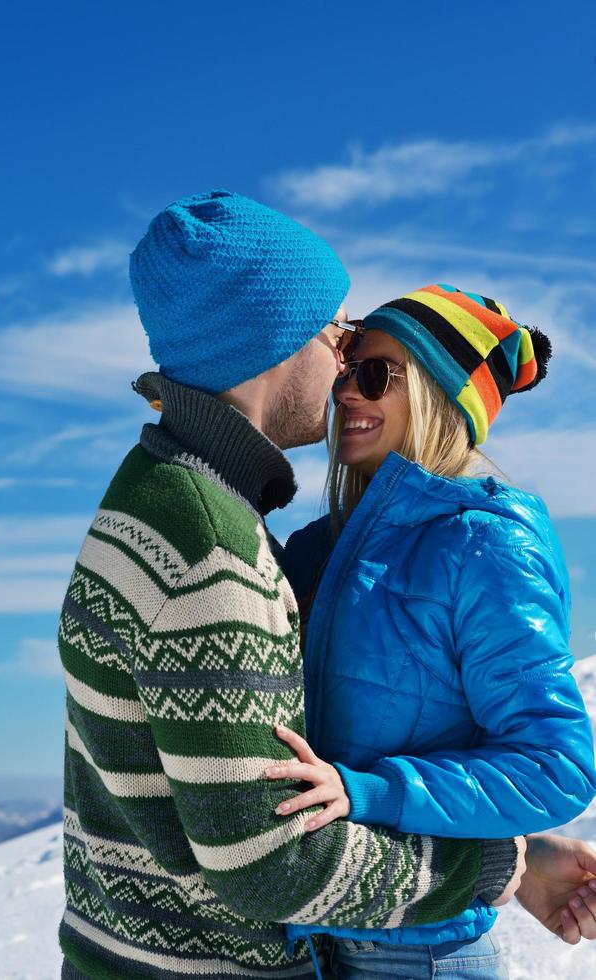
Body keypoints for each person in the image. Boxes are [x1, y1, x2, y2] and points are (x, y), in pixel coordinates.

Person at [57, 197, 523, 980]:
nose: (347, 356)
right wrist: (487, 869)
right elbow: (266, 860)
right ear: (272, 341)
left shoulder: (157, 491)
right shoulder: (209, 550)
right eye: (335, 328)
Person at [270, 285, 596, 978]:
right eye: (344, 371)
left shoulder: (484, 546)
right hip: (312, 945)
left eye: (376, 374)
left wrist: (370, 790)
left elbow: (555, 763)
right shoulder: (312, 549)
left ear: (439, 396)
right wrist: (528, 855)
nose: (347, 393)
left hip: (423, 957)